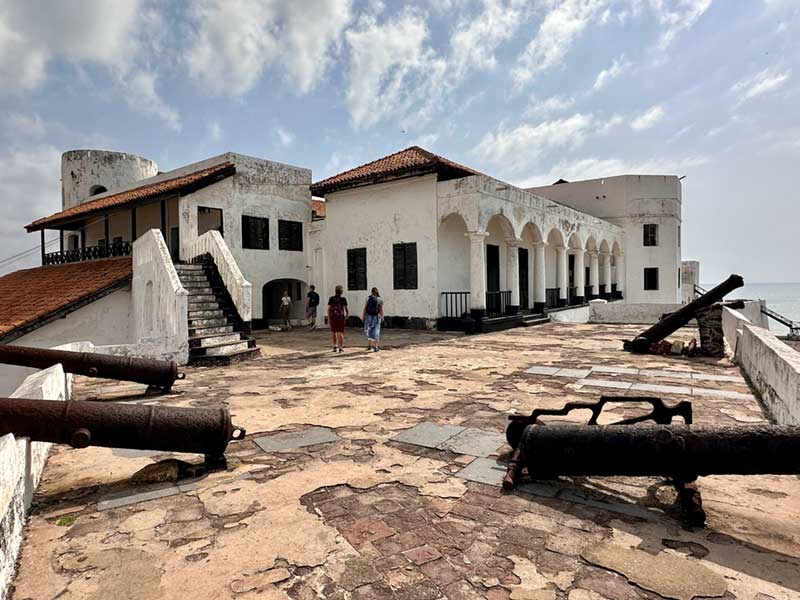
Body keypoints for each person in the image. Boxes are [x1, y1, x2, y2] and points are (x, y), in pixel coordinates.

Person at [362, 287, 384, 352]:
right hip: (376, 317)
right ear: (377, 292)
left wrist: (363, 316)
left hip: (369, 316)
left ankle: (369, 346)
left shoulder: (368, 298)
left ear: (371, 292)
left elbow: (365, 308)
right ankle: (375, 346)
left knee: (369, 330)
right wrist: (382, 316)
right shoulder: (379, 299)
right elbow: (381, 309)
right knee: (376, 331)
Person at [328, 285, 348, 352]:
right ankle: (341, 347)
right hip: (340, 318)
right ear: (341, 292)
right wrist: (347, 315)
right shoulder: (343, 299)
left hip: (333, 317)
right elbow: (346, 309)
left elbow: (329, 309)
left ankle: (334, 346)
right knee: (340, 332)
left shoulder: (331, 298)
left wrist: (329, 318)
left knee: (334, 332)